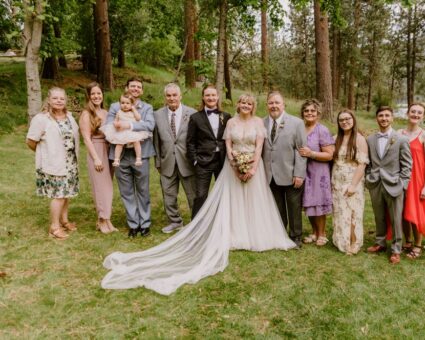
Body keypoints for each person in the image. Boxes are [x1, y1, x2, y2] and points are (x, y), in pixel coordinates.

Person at [101, 93, 296, 296]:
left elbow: (259, 149)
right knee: (229, 200)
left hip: (253, 169)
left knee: (254, 202)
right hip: (232, 167)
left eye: (249, 103)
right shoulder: (230, 122)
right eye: (242, 102)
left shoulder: (257, 122)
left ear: (253, 106)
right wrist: (236, 165)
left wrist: (253, 168)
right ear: (238, 104)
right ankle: (233, 233)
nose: (245, 105)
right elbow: (228, 146)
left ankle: (254, 234)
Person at [104, 77, 156, 237]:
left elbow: (149, 125)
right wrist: (122, 127)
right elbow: (110, 126)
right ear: (127, 87)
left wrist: (129, 125)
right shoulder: (115, 106)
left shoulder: (147, 108)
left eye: (138, 87)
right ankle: (133, 223)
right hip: (120, 155)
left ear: (142, 91)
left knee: (142, 189)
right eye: (132, 86)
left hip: (141, 154)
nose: (135, 89)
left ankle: (145, 223)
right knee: (126, 190)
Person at [26, 87, 80, 240]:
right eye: (55, 98)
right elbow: (30, 141)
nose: (59, 101)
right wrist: (45, 155)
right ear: (49, 100)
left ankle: (64, 220)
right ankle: (54, 226)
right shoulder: (41, 119)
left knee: (66, 193)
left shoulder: (69, 116)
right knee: (59, 195)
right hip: (54, 163)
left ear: (65, 101)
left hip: (70, 161)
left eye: (61, 99)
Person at [365, 106, 413, 264]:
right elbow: (369, 162)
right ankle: (380, 243)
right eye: (381, 116)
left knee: (395, 218)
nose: (384, 118)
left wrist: (403, 184)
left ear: (392, 118)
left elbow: (407, 165)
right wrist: (368, 177)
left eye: (387, 116)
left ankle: (396, 249)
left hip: (394, 184)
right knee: (379, 216)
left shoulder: (401, 139)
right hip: (375, 183)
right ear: (377, 118)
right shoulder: (370, 139)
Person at [397, 103, 425, 258]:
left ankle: (418, 245)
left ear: (423, 116)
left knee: (416, 211)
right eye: (413, 111)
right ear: (407, 113)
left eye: (419, 113)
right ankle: (407, 241)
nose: (415, 115)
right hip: (401, 177)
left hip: (418, 179)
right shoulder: (399, 133)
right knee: (402, 210)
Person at [263, 91, 307, 245]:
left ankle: (296, 236)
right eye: (271, 103)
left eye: (277, 103)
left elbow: (301, 150)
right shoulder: (261, 123)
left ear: (283, 105)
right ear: (267, 105)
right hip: (270, 174)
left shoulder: (297, 123)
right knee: (277, 207)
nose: (274, 106)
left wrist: (299, 174)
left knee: (294, 207)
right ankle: (280, 234)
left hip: (291, 173)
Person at [152, 83, 198, 233]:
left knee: (193, 195)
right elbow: (156, 141)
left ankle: (196, 222)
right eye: (168, 95)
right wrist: (158, 161)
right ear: (165, 97)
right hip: (167, 162)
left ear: (180, 96)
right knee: (169, 195)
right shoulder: (157, 115)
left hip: (187, 162)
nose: (172, 98)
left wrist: (196, 160)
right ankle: (175, 221)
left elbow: (197, 140)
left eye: (174, 95)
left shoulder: (192, 113)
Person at [78, 82, 116, 234]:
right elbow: (86, 138)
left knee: (107, 187)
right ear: (88, 96)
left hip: (108, 151)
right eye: (93, 94)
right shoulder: (86, 114)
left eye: (98, 93)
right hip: (97, 150)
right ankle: (102, 221)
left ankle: (107, 220)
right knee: (101, 188)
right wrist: (96, 158)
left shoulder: (106, 113)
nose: (96, 96)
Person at [188, 85, 231, 216]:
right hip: (203, 162)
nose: (210, 98)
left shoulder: (226, 116)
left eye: (213, 95)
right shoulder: (195, 117)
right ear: (203, 97)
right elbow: (190, 141)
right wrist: (195, 160)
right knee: (201, 195)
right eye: (207, 95)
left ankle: (221, 222)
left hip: (223, 161)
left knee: (224, 193)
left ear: (218, 97)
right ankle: (196, 225)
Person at [297, 99, 335, 246]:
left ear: (318, 113)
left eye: (313, 111)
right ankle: (313, 232)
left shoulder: (322, 130)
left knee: (318, 202)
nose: (309, 113)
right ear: (303, 113)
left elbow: (329, 155)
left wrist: (311, 153)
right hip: (303, 170)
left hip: (319, 171)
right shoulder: (299, 128)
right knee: (308, 202)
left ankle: (322, 234)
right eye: (306, 111)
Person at [331, 109, 369, 255]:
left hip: (353, 180)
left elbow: (362, 163)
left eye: (348, 119)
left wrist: (353, 185)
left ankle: (353, 242)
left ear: (353, 120)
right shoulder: (335, 138)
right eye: (341, 120)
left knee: (353, 211)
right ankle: (341, 240)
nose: (345, 122)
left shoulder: (359, 139)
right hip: (337, 180)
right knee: (340, 211)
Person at [100, 94, 150, 167]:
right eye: (122, 103)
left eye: (127, 103)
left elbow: (138, 118)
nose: (125, 105)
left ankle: (138, 158)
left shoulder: (133, 111)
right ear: (120, 104)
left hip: (132, 131)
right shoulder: (119, 112)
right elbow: (116, 120)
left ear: (132, 104)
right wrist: (115, 124)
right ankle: (116, 159)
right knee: (119, 144)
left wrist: (133, 109)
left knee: (136, 142)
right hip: (122, 131)